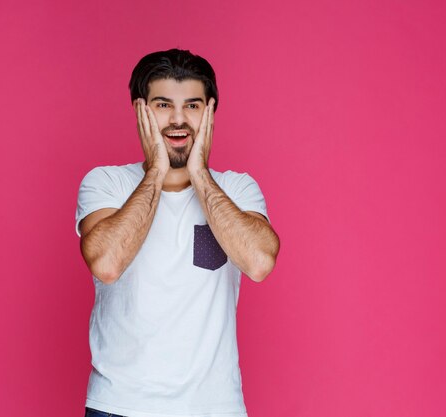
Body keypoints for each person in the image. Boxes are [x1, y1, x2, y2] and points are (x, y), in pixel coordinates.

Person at [75, 48, 280, 417]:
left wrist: (200, 174)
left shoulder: (238, 189)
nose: (178, 119)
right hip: (120, 406)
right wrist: (156, 170)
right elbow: (106, 263)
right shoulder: (106, 183)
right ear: (140, 110)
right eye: (163, 105)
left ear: (210, 112)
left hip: (215, 408)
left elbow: (260, 263)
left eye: (192, 106)